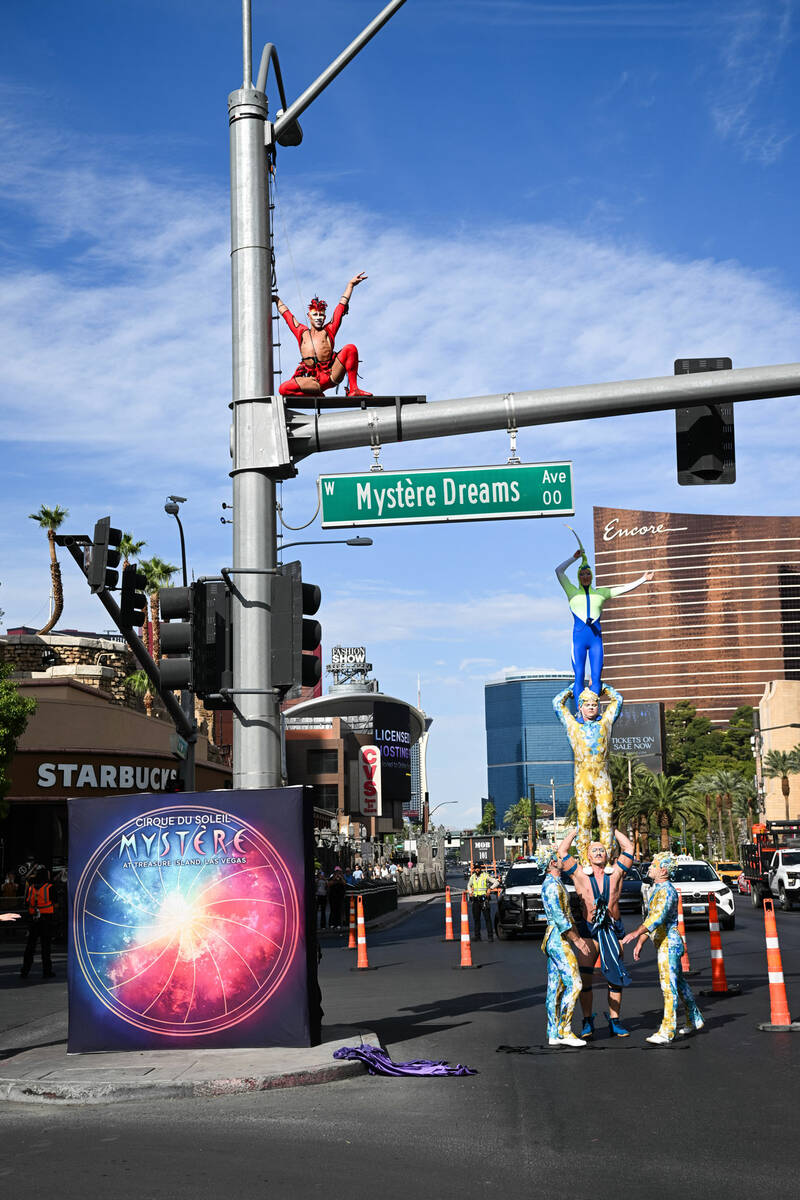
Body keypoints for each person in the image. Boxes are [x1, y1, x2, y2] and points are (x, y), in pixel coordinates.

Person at [558, 826, 636, 1039]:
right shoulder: (580, 874)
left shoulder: (617, 872)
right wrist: (576, 831)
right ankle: (587, 1021)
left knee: (615, 978)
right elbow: (563, 852)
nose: (599, 853)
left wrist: (611, 829)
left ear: (608, 855)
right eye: (594, 850)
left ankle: (615, 1021)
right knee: (585, 979)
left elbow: (628, 847)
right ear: (588, 857)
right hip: (589, 930)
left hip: (612, 929)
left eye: (602, 850)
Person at [621, 851, 704, 1045]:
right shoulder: (657, 889)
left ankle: (667, 1030)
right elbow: (652, 920)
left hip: (669, 943)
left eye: (654, 865)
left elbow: (657, 917)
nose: (649, 867)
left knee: (669, 987)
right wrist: (641, 942)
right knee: (680, 984)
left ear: (664, 870)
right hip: (664, 942)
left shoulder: (666, 891)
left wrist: (635, 934)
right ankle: (695, 1018)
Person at [555, 542, 653, 706]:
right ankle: (581, 711)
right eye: (582, 574)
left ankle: (593, 709)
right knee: (579, 675)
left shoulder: (602, 593)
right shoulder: (571, 591)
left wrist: (643, 579)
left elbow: (623, 589)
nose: (585, 576)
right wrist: (574, 558)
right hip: (579, 640)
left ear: (591, 576)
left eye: (588, 574)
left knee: (597, 676)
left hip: (595, 640)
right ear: (579, 576)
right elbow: (558, 571)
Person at [553, 682, 624, 864]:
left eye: (594, 704)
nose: (592, 708)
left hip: (602, 779)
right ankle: (585, 859)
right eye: (588, 705)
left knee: (606, 819)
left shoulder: (605, 723)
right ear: (580, 707)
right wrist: (572, 687)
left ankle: (607, 859)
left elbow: (618, 699)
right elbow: (556, 703)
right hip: (583, 779)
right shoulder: (573, 727)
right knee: (583, 820)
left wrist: (603, 687)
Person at [275, 272, 371, 399]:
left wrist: (350, 285)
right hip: (312, 381)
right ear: (309, 316)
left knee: (350, 348)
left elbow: (340, 309)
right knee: (283, 389)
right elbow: (287, 315)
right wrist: (275, 299)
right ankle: (316, 393)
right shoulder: (302, 332)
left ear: (325, 317)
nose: (318, 318)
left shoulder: (329, 330)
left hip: (331, 375)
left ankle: (354, 389)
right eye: (315, 315)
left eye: (321, 315)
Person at [538, 847, 591, 1047]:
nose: (561, 860)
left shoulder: (556, 882)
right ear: (552, 863)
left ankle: (553, 1032)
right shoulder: (551, 886)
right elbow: (560, 918)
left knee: (556, 986)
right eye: (559, 858)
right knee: (575, 983)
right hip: (558, 939)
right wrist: (577, 940)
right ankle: (565, 1030)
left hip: (557, 939)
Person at [20, 867, 56, 980]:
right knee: (46, 947)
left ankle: (25, 970)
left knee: (30, 946)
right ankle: (47, 971)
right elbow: (55, 904)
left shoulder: (31, 888)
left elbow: (27, 902)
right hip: (46, 920)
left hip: (33, 920)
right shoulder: (50, 888)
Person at [466, 861, 498, 942]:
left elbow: (496, 882)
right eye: (475, 868)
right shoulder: (472, 877)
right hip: (476, 900)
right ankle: (477, 936)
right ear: (474, 869)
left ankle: (490, 936)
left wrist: (489, 889)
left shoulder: (485, 876)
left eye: (478, 868)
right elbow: (468, 885)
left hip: (484, 900)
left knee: (487, 918)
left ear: (480, 868)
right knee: (476, 919)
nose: (477, 869)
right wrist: (470, 892)